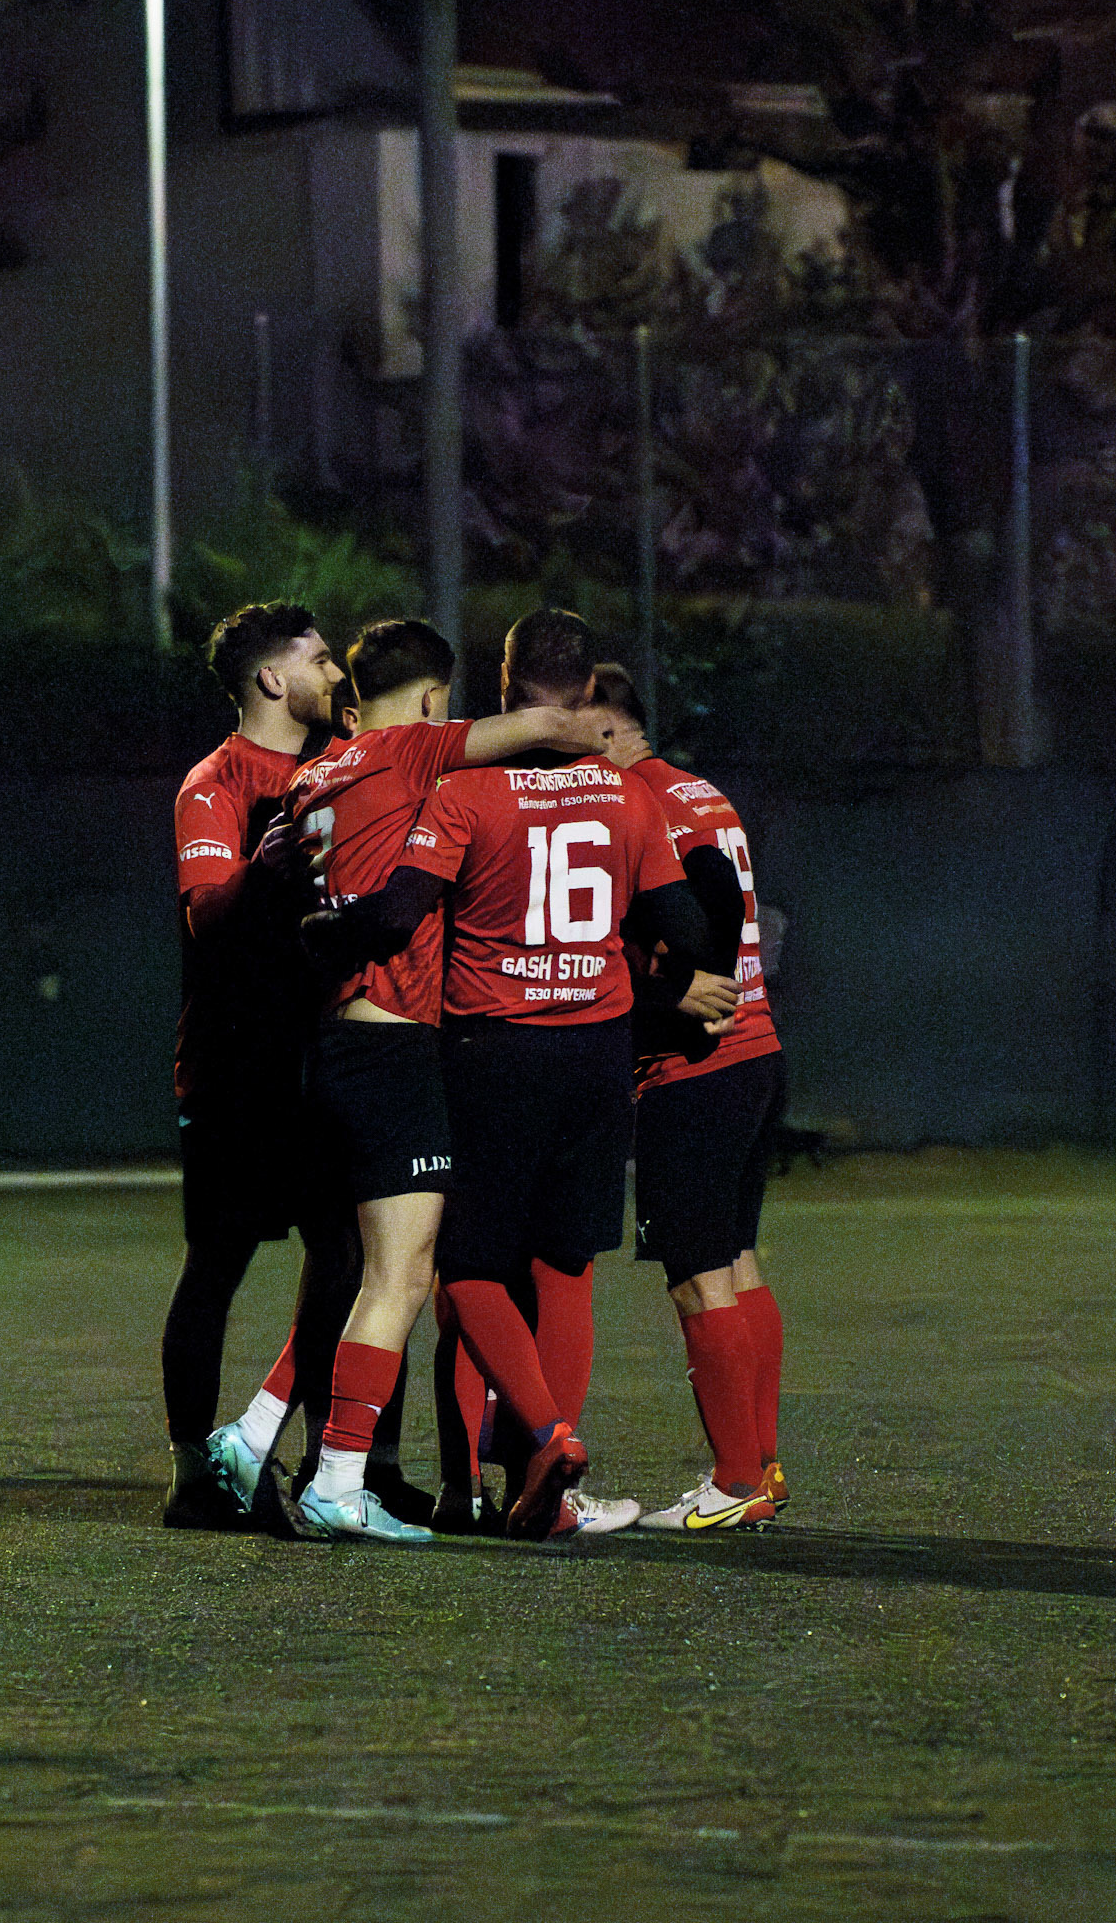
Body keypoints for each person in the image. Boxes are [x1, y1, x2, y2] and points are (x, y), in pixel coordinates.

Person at [308, 609, 717, 1540]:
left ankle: (515, 1456)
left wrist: (325, 930)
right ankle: (553, 1494)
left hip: (489, 1053)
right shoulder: (626, 796)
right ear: (586, 692)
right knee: (564, 1272)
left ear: (503, 689)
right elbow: (688, 932)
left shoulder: (465, 794)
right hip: (597, 1055)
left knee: (465, 1270)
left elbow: (400, 912)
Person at [208, 616, 617, 1544]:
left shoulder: (314, 775)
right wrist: (600, 737)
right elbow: (547, 727)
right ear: (433, 697)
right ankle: (337, 1480)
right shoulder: (412, 751)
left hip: (330, 1046)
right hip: (391, 1049)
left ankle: (260, 1431)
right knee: (402, 1275)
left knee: (363, 1270)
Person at [162, 601, 347, 1528]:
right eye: (320, 659)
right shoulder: (216, 782)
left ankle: (326, 1466)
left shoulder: (340, 766)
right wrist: (263, 868)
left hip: (324, 1059)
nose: (336, 673)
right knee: (217, 1265)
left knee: (349, 1257)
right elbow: (206, 912)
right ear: (273, 679)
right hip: (236, 1067)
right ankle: (194, 1473)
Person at [592, 661, 787, 1532]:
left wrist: (663, 993)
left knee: (698, 1281)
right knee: (738, 1266)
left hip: (694, 1070)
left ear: (607, 725)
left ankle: (735, 1481)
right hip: (759, 1052)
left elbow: (681, 930)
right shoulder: (701, 792)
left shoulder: (634, 801)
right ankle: (762, 1468)